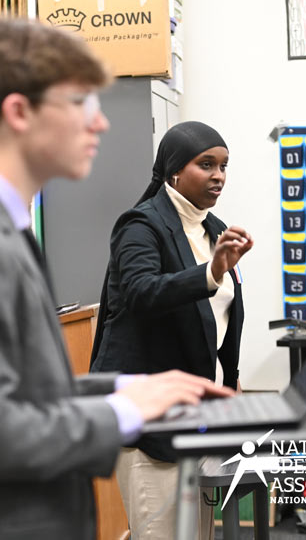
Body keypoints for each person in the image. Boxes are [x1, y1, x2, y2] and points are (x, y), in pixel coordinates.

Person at [0, 16, 235, 540]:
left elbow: (25, 392)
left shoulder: (2, 228)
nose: (99, 123)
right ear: (19, 113)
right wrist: (125, 408)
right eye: (80, 103)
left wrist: (136, 385)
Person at [90, 121, 254, 538]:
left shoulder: (213, 229)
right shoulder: (140, 226)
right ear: (174, 171)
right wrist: (211, 271)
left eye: (224, 166)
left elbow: (221, 320)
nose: (219, 175)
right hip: (152, 421)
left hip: (197, 414)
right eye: (207, 164)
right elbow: (142, 293)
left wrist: (229, 383)